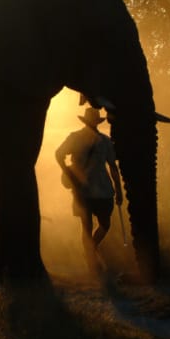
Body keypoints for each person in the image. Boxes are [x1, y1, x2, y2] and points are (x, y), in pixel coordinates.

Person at [55, 107, 123, 271]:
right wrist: (118, 189)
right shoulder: (89, 139)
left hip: (96, 189)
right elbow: (113, 167)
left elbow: (113, 167)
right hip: (92, 190)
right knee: (91, 226)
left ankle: (90, 249)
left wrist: (118, 189)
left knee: (102, 225)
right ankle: (91, 261)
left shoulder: (101, 141)